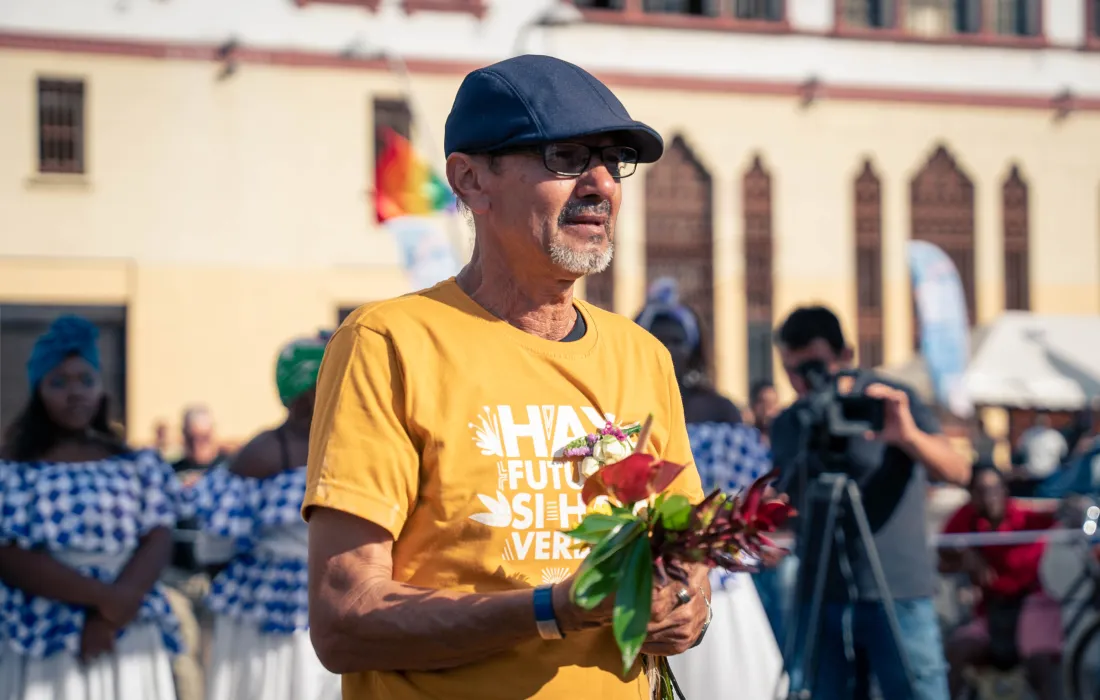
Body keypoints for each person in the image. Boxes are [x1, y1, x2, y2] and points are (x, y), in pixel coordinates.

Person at [304, 54, 710, 700]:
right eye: (567, 157)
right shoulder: (389, 344)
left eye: (613, 161)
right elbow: (345, 618)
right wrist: (549, 610)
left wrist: (686, 605)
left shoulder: (642, 356)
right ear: (470, 181)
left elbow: (683, 556)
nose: (601, 183)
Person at [769, 305, 970, 700]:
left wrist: (908, 435)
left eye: (814, 367)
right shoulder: (791, 422)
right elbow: (787, 502)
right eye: (793, 371)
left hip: (897, 591)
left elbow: (959, 471)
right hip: (820, 591)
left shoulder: (886, 402)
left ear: (846, 356)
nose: (804, 382)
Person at [0, 315, 182, 700]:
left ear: (101, 389)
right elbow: (9, 556)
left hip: (127, 627)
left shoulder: (136, 465)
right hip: (44, 631)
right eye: (58, 382)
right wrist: (105, 599)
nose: (75, 392)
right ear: (37, 392)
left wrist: (113, 612)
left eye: (86, 380)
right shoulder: (15, 471)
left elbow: (157, 535)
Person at [635, 280, 785, 699]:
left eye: (678, 341)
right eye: (660, 340)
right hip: (645, 568)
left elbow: (749, 493)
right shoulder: (630, 403)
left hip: (716, 572)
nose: (670, 349)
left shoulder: (719, 408)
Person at [188, 332, 339, 700]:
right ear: (305, 393)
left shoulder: (351, 442)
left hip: (334, 594)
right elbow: (214, 546)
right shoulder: (261, 453)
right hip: (268, 612)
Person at [940, 462, 1061, 700]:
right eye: (980, 490)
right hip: (988, 612)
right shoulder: (966, 517)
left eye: (995, 489)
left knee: (1041, 663)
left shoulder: (1025, 517)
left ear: (1005, 490)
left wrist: (1077, 509)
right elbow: (942, 555)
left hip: (1030, 606)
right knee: (957, 651)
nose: (989, 497)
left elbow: (1066, 517)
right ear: (971, 495)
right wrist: (965, 557)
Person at [164, 404, 230, 700]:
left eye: (203, 437)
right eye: (191, 437)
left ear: (213, 434)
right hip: (176, 577)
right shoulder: (169, 472)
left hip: (218, 579)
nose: (198, 444)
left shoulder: (230, 470)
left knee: (215, 652)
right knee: (183, 651)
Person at [749, 380, 780, 445]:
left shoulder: (787, 437)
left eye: (773, 403)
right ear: (753, 405)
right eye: (764, 402)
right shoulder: (745, 439)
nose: (769, 408)